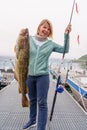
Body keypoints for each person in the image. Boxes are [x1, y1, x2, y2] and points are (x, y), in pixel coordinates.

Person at [21, 19, 72, 130]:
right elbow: (20, 51)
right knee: (32, 100)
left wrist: (66, 35)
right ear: (39, 27)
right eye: (44, 27)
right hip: (29, 75)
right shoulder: (29, 39)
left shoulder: (50, 44)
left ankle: (41, 127)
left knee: (42, 102)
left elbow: (65, 49)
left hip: (42, 76)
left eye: (48, 29)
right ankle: (32, 120)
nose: (46, 30)